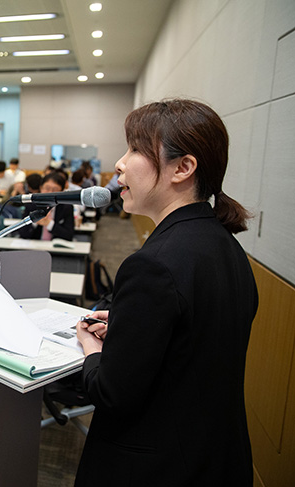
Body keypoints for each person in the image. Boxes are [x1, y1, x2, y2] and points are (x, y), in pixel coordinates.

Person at [74, 99, 258, 487]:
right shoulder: (227, 246)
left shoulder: (153, 263)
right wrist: (130, 325)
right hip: (215, 458)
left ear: (183, 168)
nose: (120, 164)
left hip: (154, 467)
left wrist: (93, 348)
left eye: (136, 150)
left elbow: (110, 392)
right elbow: (192, 345)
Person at [17, 172, 74, 241]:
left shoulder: (66, 207)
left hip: (56, 249)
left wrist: (49, 223)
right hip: (34, 247)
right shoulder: (31, 205)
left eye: (55, 189)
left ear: (62, 191)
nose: (50, 192)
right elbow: (23, 233)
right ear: (41, 188)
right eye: (47, 188)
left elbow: (69, 235)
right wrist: (35, 222)